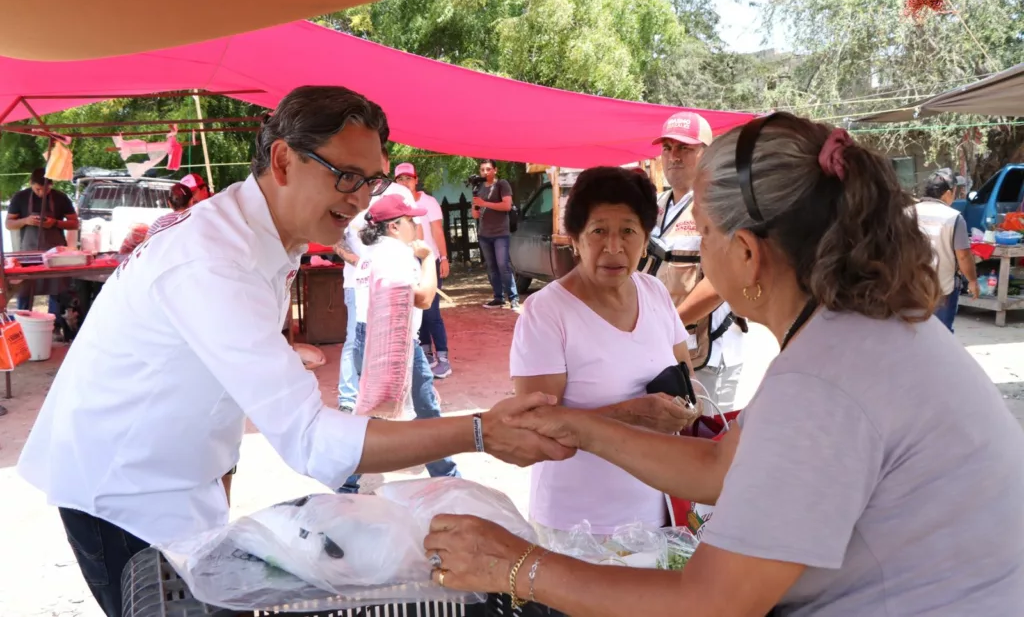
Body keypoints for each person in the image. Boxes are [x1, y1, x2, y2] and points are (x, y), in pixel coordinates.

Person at [424, 113, 1024, 616]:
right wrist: (581, 427)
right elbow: (720, 464)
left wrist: (514, 564)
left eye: (704, 232)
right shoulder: (853, 335)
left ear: (745, 253)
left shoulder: (823, 381)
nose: (697, 251)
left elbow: (708, 603)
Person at [16, 85, 572, 617]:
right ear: (283, 160)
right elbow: (310, 441)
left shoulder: (265, 233)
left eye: (371, 181)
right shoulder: (214, 257)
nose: (359, 200)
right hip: (123, 488)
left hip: (181, 475)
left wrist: (222, 472)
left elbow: (220, 374)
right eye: (346, 176)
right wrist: (480, 432)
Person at [511, 166, 703, 543]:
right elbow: (533, 427)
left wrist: (687, 405)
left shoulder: (654, 293)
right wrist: (630, 416)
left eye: (628, 231)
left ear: (646, 239)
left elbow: (686, 373)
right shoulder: (547, 313)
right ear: (576, 239)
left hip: (659, 509)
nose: (614, 248)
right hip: (580, 526)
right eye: (599, 231)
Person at [337, 193, 460, 494]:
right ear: (393, 227)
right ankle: (449, 477)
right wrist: (428, 257)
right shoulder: (396, 253)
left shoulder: (371, 253)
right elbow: (423, 298)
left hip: (370, 336)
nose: (416, 225)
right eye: (410, 220)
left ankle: (347, 482)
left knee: (374, 414)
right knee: (423, 412)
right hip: (396, 341)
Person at [643, 111, 750, 413]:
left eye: (685, 148)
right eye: (667, 147)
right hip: (666, 350)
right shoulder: (656, 207)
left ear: (706, 155)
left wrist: (668, 327)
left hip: (710, 354)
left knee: (707, 441)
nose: (674, 156)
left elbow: (721, 282)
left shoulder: (720, 206)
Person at [335, 149, 424, 412]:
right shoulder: (346, 191)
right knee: (356, 338)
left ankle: (400, 399)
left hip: (395, 278)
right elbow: (335, 237)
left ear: (386, 163)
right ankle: (349, 399)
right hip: (358, 280)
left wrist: (415, 259)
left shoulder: (399, 193)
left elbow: (414, 228)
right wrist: (362, 263)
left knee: (402, 339)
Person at [394, 162, 452, 379]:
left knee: (432, 311)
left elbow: (437, 231)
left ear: (416, 179)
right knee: (417, 310)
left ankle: (444, 359)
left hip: (429, 262)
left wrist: (444, 258)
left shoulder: (428, 202)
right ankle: (427, 355)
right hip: (408, 264)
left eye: (408, 178)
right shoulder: (397, 204)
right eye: (400, 179)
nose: (404, 182)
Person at [5, 168, 80, 319]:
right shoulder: (20, 197)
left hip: (55, 252)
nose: (41, 193)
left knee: (57, 289)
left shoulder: (61, 197)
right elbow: (9, 223)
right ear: (31, 183)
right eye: (38, 189)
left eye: (46, 190)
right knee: (26, 290)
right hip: (28, 252)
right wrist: (26, 220)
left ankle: (56, 323)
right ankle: (23, 323)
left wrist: (55, 223)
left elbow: (74, 224)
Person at [915, 169, 979, 332]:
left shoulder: (907, 213)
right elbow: (963, 256)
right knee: (942, 333)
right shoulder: (953, 217)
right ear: (949, 193)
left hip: (911, 287)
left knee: (914, 332)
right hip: (942, 288)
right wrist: (972, 281)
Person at [472, 160, 518, 311]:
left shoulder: (501, 184)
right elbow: (475, 215)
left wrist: (484, 203)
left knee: (503, 265)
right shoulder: (478, 187)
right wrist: (475, 205)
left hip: (500, 233)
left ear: (495, 170)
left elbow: (506, 205)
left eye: (488, 169)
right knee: (492, 267)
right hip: (484, 233)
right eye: (483, 170)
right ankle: (498, 297)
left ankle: (513, 298)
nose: (485, 172)